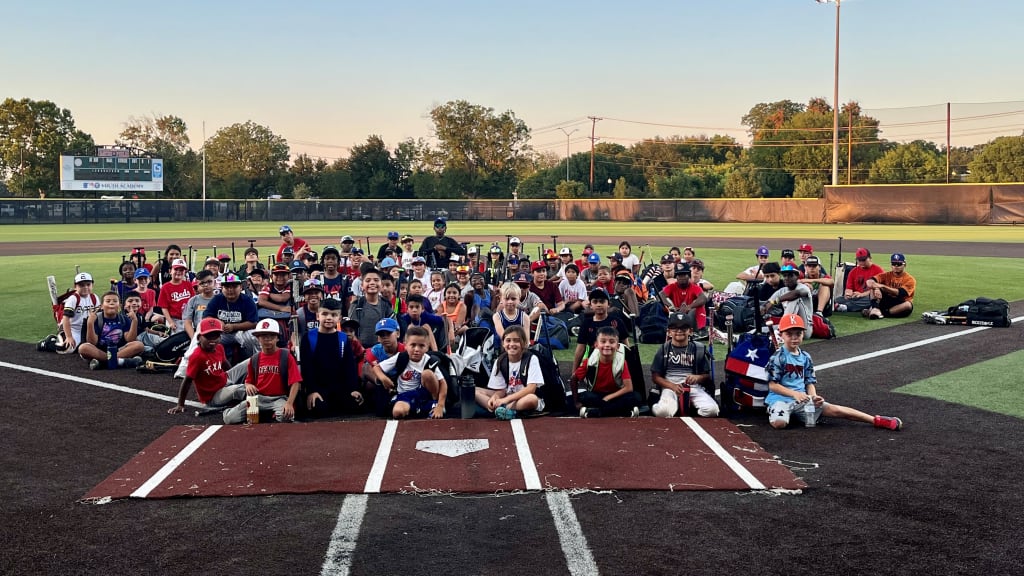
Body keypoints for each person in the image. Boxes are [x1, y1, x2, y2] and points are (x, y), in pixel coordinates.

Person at [766, 314, 903, 431]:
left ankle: (875, 420)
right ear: (781, 335)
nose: (794, 337)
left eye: (798, 333)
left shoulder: (805, 357)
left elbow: (809, 382)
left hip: (803, 400)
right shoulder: (778, 357)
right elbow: (772, 385)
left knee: (836, 410)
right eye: (789, 334)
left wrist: (814, 397)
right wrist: (794, 394)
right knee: (780, 423)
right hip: (780, 400)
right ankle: (787, 415)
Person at [223, 319, 302, 424]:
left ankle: (267, 414)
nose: (267, 340)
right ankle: (227, 408)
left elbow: (295, 382)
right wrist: (248, 385)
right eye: (263, 336)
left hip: (279, 398)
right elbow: (249, 381)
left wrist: (289, 403)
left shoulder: (285, 355)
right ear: (258, 338)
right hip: (258, 397)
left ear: (277, 338)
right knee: (229, 419)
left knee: (285, 417)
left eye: (271, 336)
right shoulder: (255, 359)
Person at [167, 318, 246, 417]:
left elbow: (226, 366)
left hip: (225, 381)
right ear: (199, 337)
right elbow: (187, 380)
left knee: (250, 362)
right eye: (208, 336)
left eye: (216, 336)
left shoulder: (219, 347)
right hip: (213, 396)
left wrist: (234, 379)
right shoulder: (197, 356)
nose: (212, 340)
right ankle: (265, 398)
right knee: (241, 389)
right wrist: (180, 404)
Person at [300, 298, 362, 418]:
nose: (329, 318)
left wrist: (353, 389)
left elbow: (349, 366)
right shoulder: (309, 337)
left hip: (340, 387)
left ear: (339, 318)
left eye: (333, 315)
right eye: (325, 314)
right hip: (319, 388)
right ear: (318, 316)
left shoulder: (343, 338)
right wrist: (311, 391)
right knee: (318, 408)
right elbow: (307, 368)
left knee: (356, 404)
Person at [372, 326, 447, 419]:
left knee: (427, 373)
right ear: (406, 345)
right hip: (404, 395)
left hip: (423, 394)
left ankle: (434, 404)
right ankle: (420, 410)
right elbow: (377, 368)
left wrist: (440, 405)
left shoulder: (429, 360)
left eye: (421, 346)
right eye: (413, 345)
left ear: (427, 347)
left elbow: (442, 383)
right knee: (397, 412)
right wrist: (383, 378)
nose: (416, 349)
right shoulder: (401, 357)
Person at [650, 313, 716, 418]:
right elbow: (655, 376)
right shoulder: (663, 349)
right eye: (674, 328)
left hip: (693, 387)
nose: (679, 331)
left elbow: (706, 376)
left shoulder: (698, 349)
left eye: (683, 328)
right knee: (663, 412)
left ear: (690, 331)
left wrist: (697, 377)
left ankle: (691, 409)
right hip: (670, 387)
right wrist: (672, 386)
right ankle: (668, 406)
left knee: (712, 410)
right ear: (669, 332)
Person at [570, 326, 640, 418]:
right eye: (603, 341)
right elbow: (573, 379)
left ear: (618, 346)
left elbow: (628, 388)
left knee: (635, 397)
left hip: (616, 395)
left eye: (612, 342)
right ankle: (623, 412)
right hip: (596, 395)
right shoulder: (590, 361)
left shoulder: (622, 362)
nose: (607, 345)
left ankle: (595, 412)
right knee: (585, 397)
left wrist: (607, 398)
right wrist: (576, 402)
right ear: (596, 344)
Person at [478, 325, 544, 420]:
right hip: (507, 395)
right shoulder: (500, 360)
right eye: (508, 340)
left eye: (516, 340)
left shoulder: (531, 359)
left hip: (523, 397)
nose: (512, 344)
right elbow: (500, 390)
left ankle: (505, 408)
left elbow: (531, 389)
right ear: (503, 344)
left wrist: (505, 400)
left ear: (524, 343)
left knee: (531, 399)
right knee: (474, 391)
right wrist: (495, 398)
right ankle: (495, 407)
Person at [79, 291, 144, 370]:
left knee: (139, 345)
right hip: (100, 350)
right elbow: (92, 342)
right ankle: (121, 361)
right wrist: (90, 323)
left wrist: (134, 320)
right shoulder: (97, 318)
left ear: (119, 306)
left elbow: (130, 340)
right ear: (102, 306)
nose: (112, 303)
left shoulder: (124, 319)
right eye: (108, 301)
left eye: (115, 301)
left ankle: (103, 363)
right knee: (83, 348)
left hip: (119, 350)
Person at [573, 288, 632, 370]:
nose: (599, 304)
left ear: (609, 304)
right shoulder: (587, 323)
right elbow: (580, 348)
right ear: (590, 305)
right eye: (595, 302)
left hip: (615, 363)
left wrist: (630, 370)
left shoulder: (617, 322)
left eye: (602, 301)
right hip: (593, 363)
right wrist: (574, 373)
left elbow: (626, 346)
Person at [203, 272, 259, 359]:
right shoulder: (217, 299)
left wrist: (234, 326)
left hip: (241, 333)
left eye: (234, 286)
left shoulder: (247, 300)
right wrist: (218, 323)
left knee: (252, 336)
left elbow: (253, 323)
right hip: (222, 334)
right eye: (227, 287)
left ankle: (254, 362)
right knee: (201, 337)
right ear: (222, 288)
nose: (230, 289)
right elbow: (206, 317)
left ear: (240, 287)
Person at [350, 267, 397, 349]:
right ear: (362, 286)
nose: (372, 283)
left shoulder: (386, 305)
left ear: (381, 285)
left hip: (382, 349)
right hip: (360, 350)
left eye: (376, 280)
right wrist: (361, 349)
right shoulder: (357, 305)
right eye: (368, 280)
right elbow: (351, 331)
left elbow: (393, 328)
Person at [761, 264, 813, 336]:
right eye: (785, 276)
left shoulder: (803, 287)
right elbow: (768, 303)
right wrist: (763, 308)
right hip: (788, 327)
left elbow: (795, 294)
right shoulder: (782, 290)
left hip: (804, 328)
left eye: (790, 275)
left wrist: (776, 301)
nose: (786, 278)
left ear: (797, 276)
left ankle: (781, 329)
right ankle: (781, 330)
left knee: (794, 299)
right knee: (759, 330)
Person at [864, 253, 916, 319]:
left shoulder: (910, 279)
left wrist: (882, 286)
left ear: (904, 264)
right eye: (893, 264)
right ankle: (875, 309)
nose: (896, 266)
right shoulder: (885, 275)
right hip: (886, 300)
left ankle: (880, 312)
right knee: (873, 288)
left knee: (908, 305)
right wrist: (876, 288)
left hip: (900, 302)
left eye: (899, 264)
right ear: (891, 265)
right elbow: (869, 282)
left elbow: (900, 293)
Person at [658, 263, 707, 330]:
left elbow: (703, 298)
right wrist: (671, 306)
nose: (682, 277)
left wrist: (689, 307)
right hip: (675, 313)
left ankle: (701, 329)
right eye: (679, 275)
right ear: (676, 276)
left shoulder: (694, 287)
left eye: (684, 275)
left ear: (689, 276)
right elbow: (660, 295)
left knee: (700, 306)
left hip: (689, 314)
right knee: (659, 305)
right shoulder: (672, 287)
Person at [835, 248, 884, 313]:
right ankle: (856, 307)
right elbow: (849, 288)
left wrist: (862, 294)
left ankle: (846, 307)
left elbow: (880, 289)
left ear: (870, 258)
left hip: (868, 297)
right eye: (859, 260)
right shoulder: (853, 271)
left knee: (872, 300)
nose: (861, 262)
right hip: (856, 297)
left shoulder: (878, 270)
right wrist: (848, 294)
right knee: (838, 299)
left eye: (864, 260)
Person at [60, 272, 100, 353]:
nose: (85, 287)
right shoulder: (73, 299)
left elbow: (98, 316)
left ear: (92, 285)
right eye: (81, 285)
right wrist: (69, 336)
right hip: (74, 330)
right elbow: (66, 318)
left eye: (88, 284)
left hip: (89, 330)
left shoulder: (94, 297)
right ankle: (50, 341)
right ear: (75, 286)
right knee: (69, 349)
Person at [155, 258, 195, 333]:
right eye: (176, 269)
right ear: (170, 271)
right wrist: (170, 322)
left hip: (188, 319)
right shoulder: (166, 287)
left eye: (181, 270)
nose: (178, 272)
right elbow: (164, 308)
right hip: (174, 320)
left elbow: (193, 302)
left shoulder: (188, 284)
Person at [181, 269, 218, 341]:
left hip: (218, 335)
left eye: (209, 282)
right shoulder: (193, 301)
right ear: (198, 286)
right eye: (202, 283)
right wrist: (194, 339)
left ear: (215, 282)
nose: (206, 285)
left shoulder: (220, 299)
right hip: (200, 335)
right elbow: (187, 322)